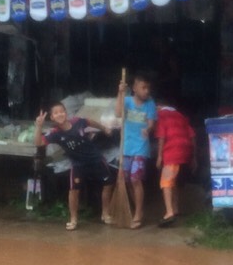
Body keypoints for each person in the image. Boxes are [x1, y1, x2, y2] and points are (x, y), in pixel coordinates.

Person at [34, 101, 116, 231]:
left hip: (95, 159)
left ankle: (105, 214)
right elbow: (39, 143)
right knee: (73, 191)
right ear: (52, 118)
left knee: (108, 184)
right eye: (56, 113)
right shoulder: (55, 133)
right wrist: (39, 126)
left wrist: (104, 128)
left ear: (66, 113)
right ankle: (73, 219)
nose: (60, 114)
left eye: (62, 111)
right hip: (78, 164)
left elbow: (90, 121)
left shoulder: (78, 121)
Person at [114, 72, 157, 229]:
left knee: (135, 179)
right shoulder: (126, 101)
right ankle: (137, 209)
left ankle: (138, 214)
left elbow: (152, 123)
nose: (147, 91)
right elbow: (118, 113)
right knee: (127, 180)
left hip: (141, 148)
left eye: (148, 88)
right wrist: (120, 93)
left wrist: (148, 129)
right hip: (126, 147)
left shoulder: (150, 103)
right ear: (134, 88)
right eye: (143, 87)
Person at [154, 103, 196, 227]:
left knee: (166, 182)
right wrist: (194, 157)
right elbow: (193, 136)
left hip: (172, 151)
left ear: (159, 107)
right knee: (173, 181)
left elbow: (161, 136)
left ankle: (169, 212)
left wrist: (160, 156)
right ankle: (176, 208)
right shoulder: (180, 116)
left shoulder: (161, 115)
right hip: (185, 150)